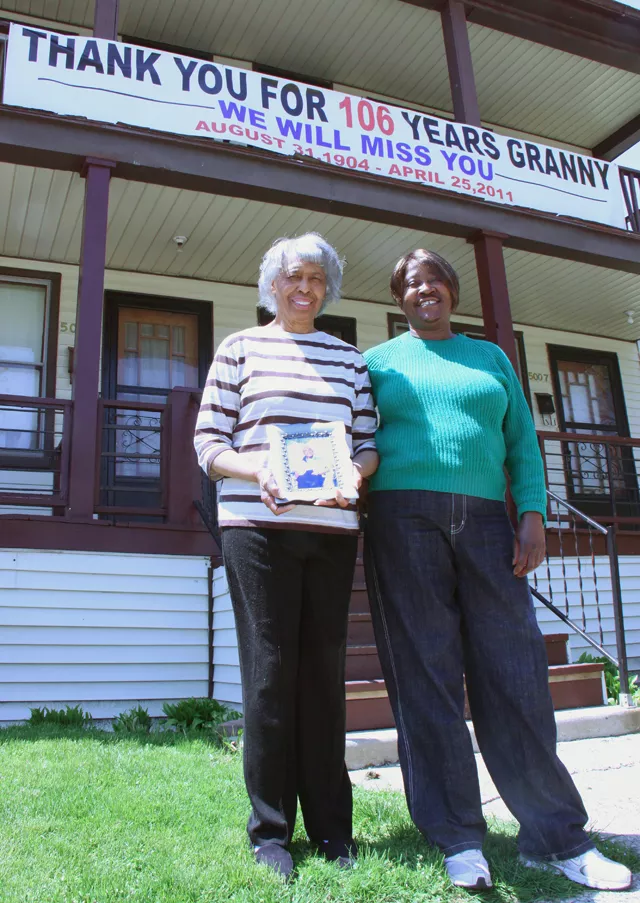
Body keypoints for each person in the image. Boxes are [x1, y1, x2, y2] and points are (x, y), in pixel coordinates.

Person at [362, 249, 632, 893]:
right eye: (412, 282)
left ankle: (556, 838)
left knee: (514, 674)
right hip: (402, 523)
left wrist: (532, 512)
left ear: (453, 292)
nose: (426, 289)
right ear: (399, 297)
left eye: (436, 280)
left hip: (488, 523)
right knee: (425, 679)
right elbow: (355, 436)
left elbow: (521, 444)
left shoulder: (491, 358)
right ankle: (457, 839)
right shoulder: (377, 364)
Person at [194, 233, 379, 880]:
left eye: (317, 279)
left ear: (328, 288)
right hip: (256, 527)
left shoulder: (350, 359)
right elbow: (209, 443)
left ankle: (332, 827)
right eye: (293, 277)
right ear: (272, 283)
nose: (305, 288)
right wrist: (259, 468)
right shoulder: (239, 348)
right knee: (271, 675)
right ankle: (270, 831)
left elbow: (366, 441)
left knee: (323, 678)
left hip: (330, 531)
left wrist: (356, 475)